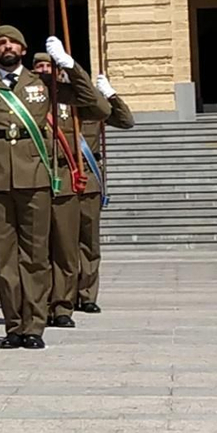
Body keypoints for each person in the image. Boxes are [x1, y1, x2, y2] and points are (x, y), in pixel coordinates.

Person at [0, 29, 103, 350]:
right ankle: (13, 326)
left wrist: (69, 64)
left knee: (36, 256)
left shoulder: (43, 85)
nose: (6, 47)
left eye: (12, 42)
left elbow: (94, 104)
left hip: (35, 177)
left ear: (23, 50)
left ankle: (34, 326)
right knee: (5, 259)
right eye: (0, 42)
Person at [31, 49, 113, 330]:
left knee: (74, 247)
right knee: (42, 250)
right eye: (39, 67)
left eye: (49, 67)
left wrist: (76, 69)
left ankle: (68, 303)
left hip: (74, 180)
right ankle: (41, 305)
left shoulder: (70, 98)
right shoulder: (27, 98)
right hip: (36, 179)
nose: (44, 71)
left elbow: (108, 112)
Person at [78, 73, 135, 314]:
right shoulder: (50, 105)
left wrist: (110, 94)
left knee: (89, 241)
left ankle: (87, 295)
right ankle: (63, 295)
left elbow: (126, 121)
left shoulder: (94, 107)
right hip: (58, 177)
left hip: (88, 176)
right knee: (60, 244)